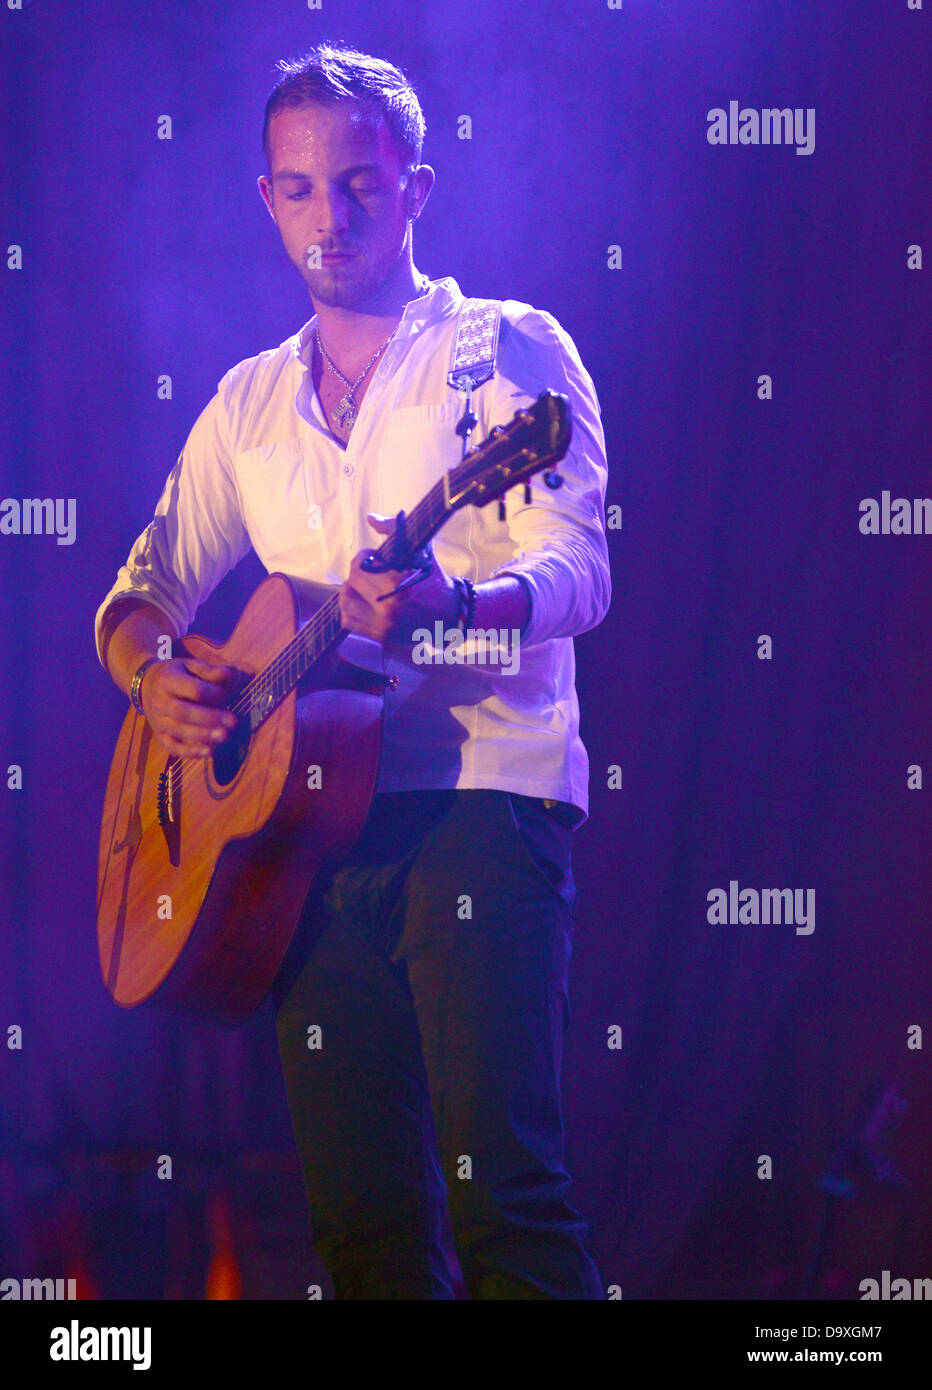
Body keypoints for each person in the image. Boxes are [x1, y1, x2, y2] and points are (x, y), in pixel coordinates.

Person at [94, 43, 610, 1300]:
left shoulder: (508, 354)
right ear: (267, 200)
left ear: (415, 188)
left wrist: (451, 602)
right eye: (300, 188)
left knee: (507, 1206)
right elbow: (134, 595)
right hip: (304, 840)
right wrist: (158, 672)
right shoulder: (247, 402)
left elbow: (578, 574)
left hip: (478, 801)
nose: (332, 216)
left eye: (360, 185)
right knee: (363, 1235)